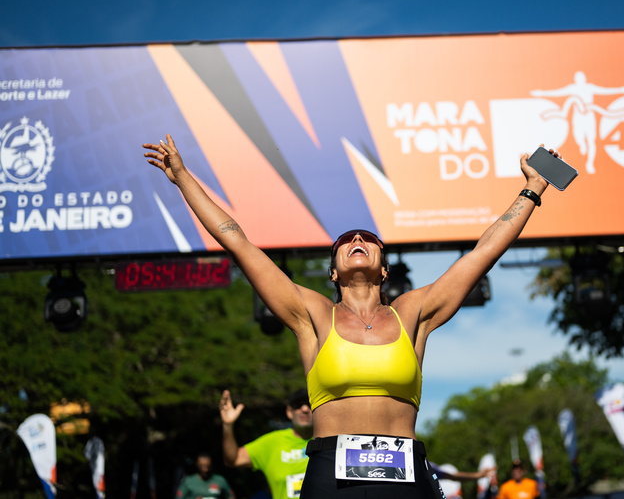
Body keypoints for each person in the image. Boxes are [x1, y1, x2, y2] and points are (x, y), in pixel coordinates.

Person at [143, 134, 555, 498]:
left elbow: (482, 254)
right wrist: (182, 177)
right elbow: (238, 241)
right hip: (331, 474)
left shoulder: (413, 313)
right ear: (334, 271)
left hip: (407, 471)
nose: (358, 239)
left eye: (369, 239)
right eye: (346, 240)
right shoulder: (312, 315)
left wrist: (532, 190)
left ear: (385, 268)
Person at [220, 388, 313, 499]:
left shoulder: (329, 438)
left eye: (309, 404)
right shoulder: (272, 442)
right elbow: (233, 459)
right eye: (298, 405)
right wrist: (227, 425)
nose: (304, 409)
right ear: (289, 412)